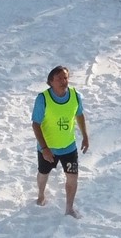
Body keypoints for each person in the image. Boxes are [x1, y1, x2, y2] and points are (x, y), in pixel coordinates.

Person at [32, 65, 90, 218]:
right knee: (43, 174)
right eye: (59, 79)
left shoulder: (75, 96)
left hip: (69, 147)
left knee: (72, 177)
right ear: (51, 81)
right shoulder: (42, 99)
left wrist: (85, 136)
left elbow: (79, 115)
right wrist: (44, 148)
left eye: (65, 78)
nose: (63, 81)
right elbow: (36, 124)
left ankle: (69, 208)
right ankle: (41, 194)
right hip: (48, 148)